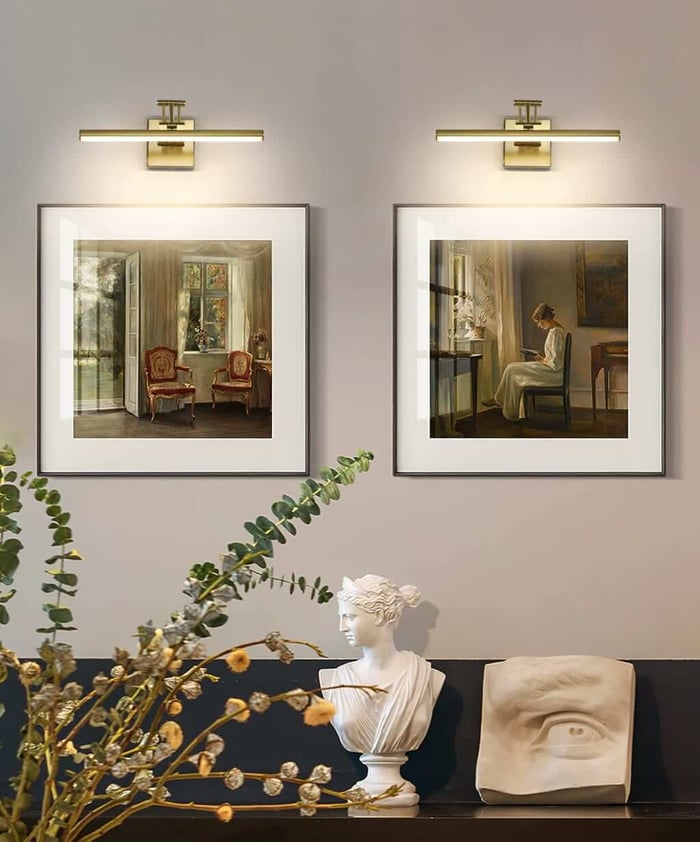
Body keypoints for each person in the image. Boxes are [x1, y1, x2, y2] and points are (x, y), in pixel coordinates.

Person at [319, 575, 445, 755]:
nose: (342, 627)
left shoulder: (427, 677)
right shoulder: (333, 679)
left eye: (349, 617)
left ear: (378, 615)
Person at [483, 303, 566, 421]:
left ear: (547, 318)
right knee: (511, 368)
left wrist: (542, 359)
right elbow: (554, 358)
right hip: (549, 368)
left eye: (540, 322)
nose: (539, 325)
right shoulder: (554, 331)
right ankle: (504, 403)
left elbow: (557, 364)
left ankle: (504, 405)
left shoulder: (557, 332)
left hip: (554, 374)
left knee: (512, 369)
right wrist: (543, 359)